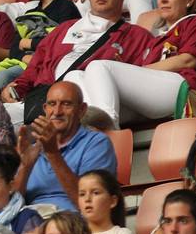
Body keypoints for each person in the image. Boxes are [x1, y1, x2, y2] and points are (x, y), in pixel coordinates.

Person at [79, 0, 196, 125]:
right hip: (155, 99)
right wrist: (127, 68)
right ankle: (92, 129)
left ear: (190, 0)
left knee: (98, 66)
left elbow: (187, 61)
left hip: (184, 90)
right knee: (77, 76)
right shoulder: (156, 40)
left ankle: (108, 129)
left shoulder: (195, 22)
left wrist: (140, 70)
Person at [11, 79, 121, 213]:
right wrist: (25, 166)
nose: (57, 112)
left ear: (81, 110)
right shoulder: (33, 148)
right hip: (30, 225)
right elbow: (10, 210)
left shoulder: (97, 143)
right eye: (52, 104)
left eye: (66, 104)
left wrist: (53, 154)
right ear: (45, 109)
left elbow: (91, 206)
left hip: (73, 226)